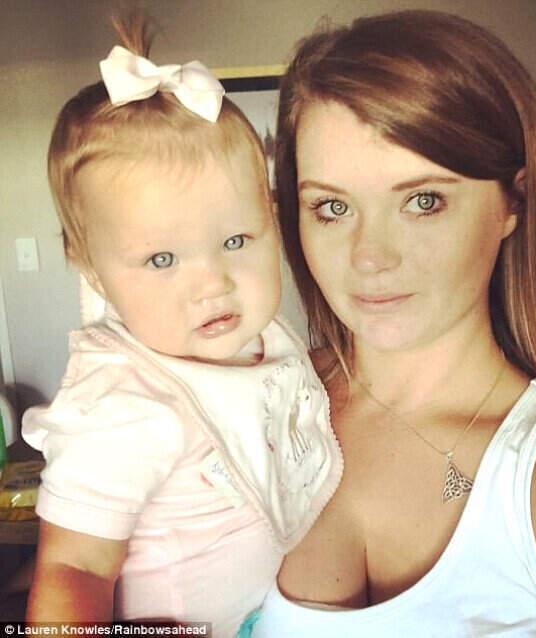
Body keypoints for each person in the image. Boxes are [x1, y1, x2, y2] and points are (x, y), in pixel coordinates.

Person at [243, 9, 536, 638]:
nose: (370, 257)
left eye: (423, 201)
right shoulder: (246, 402)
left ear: (513, 201)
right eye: (332, 207)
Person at [21, 15, 341, 634]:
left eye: (236, 240)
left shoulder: (265, 341)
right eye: (162, 260)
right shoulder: (122, 400)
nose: (213, 283)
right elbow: (73, 568)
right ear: (90, 268)